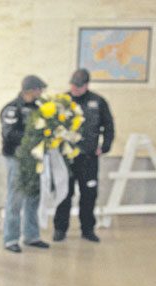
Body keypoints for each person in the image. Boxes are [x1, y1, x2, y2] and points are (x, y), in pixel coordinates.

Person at [53, 68, 115, 242]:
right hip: (66, 158)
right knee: (65, 193)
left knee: (89, 193)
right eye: (73, 85)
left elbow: (108, 127)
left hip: (88, 157)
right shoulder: (62, 101)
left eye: (79, 86)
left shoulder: (98, 101)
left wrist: (104, 148)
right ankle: (60, 228)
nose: (75, 89)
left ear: (87, 85)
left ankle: (88, 229)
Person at [0, 75, 51, 253]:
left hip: (35, 159)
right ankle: (10, 238)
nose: (41, 93)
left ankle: (32, 236)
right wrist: (31, 139)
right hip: (16, 158)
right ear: (30, 90)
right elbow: (9, 134)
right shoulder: (12, 108)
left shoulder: (40, 108)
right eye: (39, 90)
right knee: (16, 198)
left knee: (34, 197)